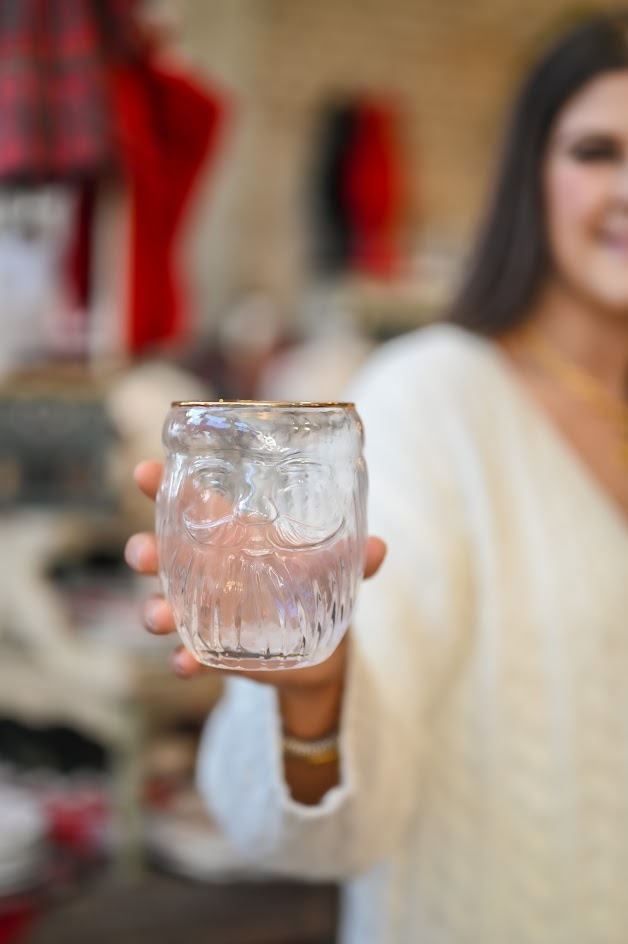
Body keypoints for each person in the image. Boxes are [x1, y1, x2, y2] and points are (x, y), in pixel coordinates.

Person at [125, 11, 628, 943]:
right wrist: (316, 693)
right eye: (600, 150)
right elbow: (333, 830)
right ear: (531, 174)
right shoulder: (433, 401)